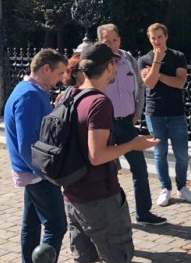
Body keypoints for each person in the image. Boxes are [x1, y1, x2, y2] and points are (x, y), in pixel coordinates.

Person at [63, 43, 160, 263]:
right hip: (99, 198)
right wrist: (133, 144)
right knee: (118, 257)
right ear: (109, 67)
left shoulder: (69, 96)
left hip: (73, 196)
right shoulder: (99, 103)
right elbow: (97, 155)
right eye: (114, 63)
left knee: (84, 259)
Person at [98, 23, 167, 225]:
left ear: (120, 40)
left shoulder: (128, 59)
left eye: (115, 40)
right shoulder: (97, 63)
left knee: (140, 169)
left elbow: (140, 88)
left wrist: (137, 112)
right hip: (105, 125)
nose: (112, 44)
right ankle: (108, 217)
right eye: (107, 41)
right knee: (107, 173)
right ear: (100, 42)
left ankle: (143, 213)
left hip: (127, 123)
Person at [4, 49, 68, 263]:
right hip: (37, 172)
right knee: (56, 225)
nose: (61, 79)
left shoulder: (29, 90)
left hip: (32, 170)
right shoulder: (29, 95)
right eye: (59, 73)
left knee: (31, 225)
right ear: (46, 68)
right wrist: (44, 172)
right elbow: (26, 143)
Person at [139, 23, 191, 206]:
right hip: (154, 112)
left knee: (182, 153)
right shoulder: (144, 59)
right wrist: (156, 62)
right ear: (149, 39)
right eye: (153, 38)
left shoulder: (178, 56)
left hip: (176, 112)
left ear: (166, 37)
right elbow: (149, 84)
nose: (157, 41)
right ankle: (165, 188)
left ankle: (182, 187)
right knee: (160, 152)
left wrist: (158, 75)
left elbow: (180, 83)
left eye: (159, 37)